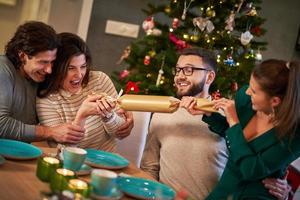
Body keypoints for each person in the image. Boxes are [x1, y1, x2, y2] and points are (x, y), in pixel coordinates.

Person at [141, 48, 290, 200]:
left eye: (188, 70)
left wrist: (283, 183)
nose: (179, 76)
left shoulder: (230, 115)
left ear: (209, 77)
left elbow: (255, 159)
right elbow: (149, 167)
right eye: (178, 70)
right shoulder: (161, 114)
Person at [181, 59, 300, 199]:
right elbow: (232, 134)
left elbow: (251, 170)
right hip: (224, 189)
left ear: (274, 101)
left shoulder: (294, 135)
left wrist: (233, 120)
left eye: (254, 91)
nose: (247, 91)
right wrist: (209, 114)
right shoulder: (246, 99)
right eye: (250, 85)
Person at [36, 32, 132, 151]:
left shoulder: (100, 80)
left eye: (83, 66)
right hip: (69, 165)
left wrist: (108, 115)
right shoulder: (46, 99)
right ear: (56, 68)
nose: (79, 74)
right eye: (71, 68)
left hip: (106, 162)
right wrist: (82, 116)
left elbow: (119, 134)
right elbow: (62, 151)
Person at [0, 21, 85, 143]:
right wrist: (50, 132)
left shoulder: (39, 76)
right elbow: (1, 125)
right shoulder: (3, 69)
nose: (49, 70)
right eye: (43, 62)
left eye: (52, 62)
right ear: (23, 56)